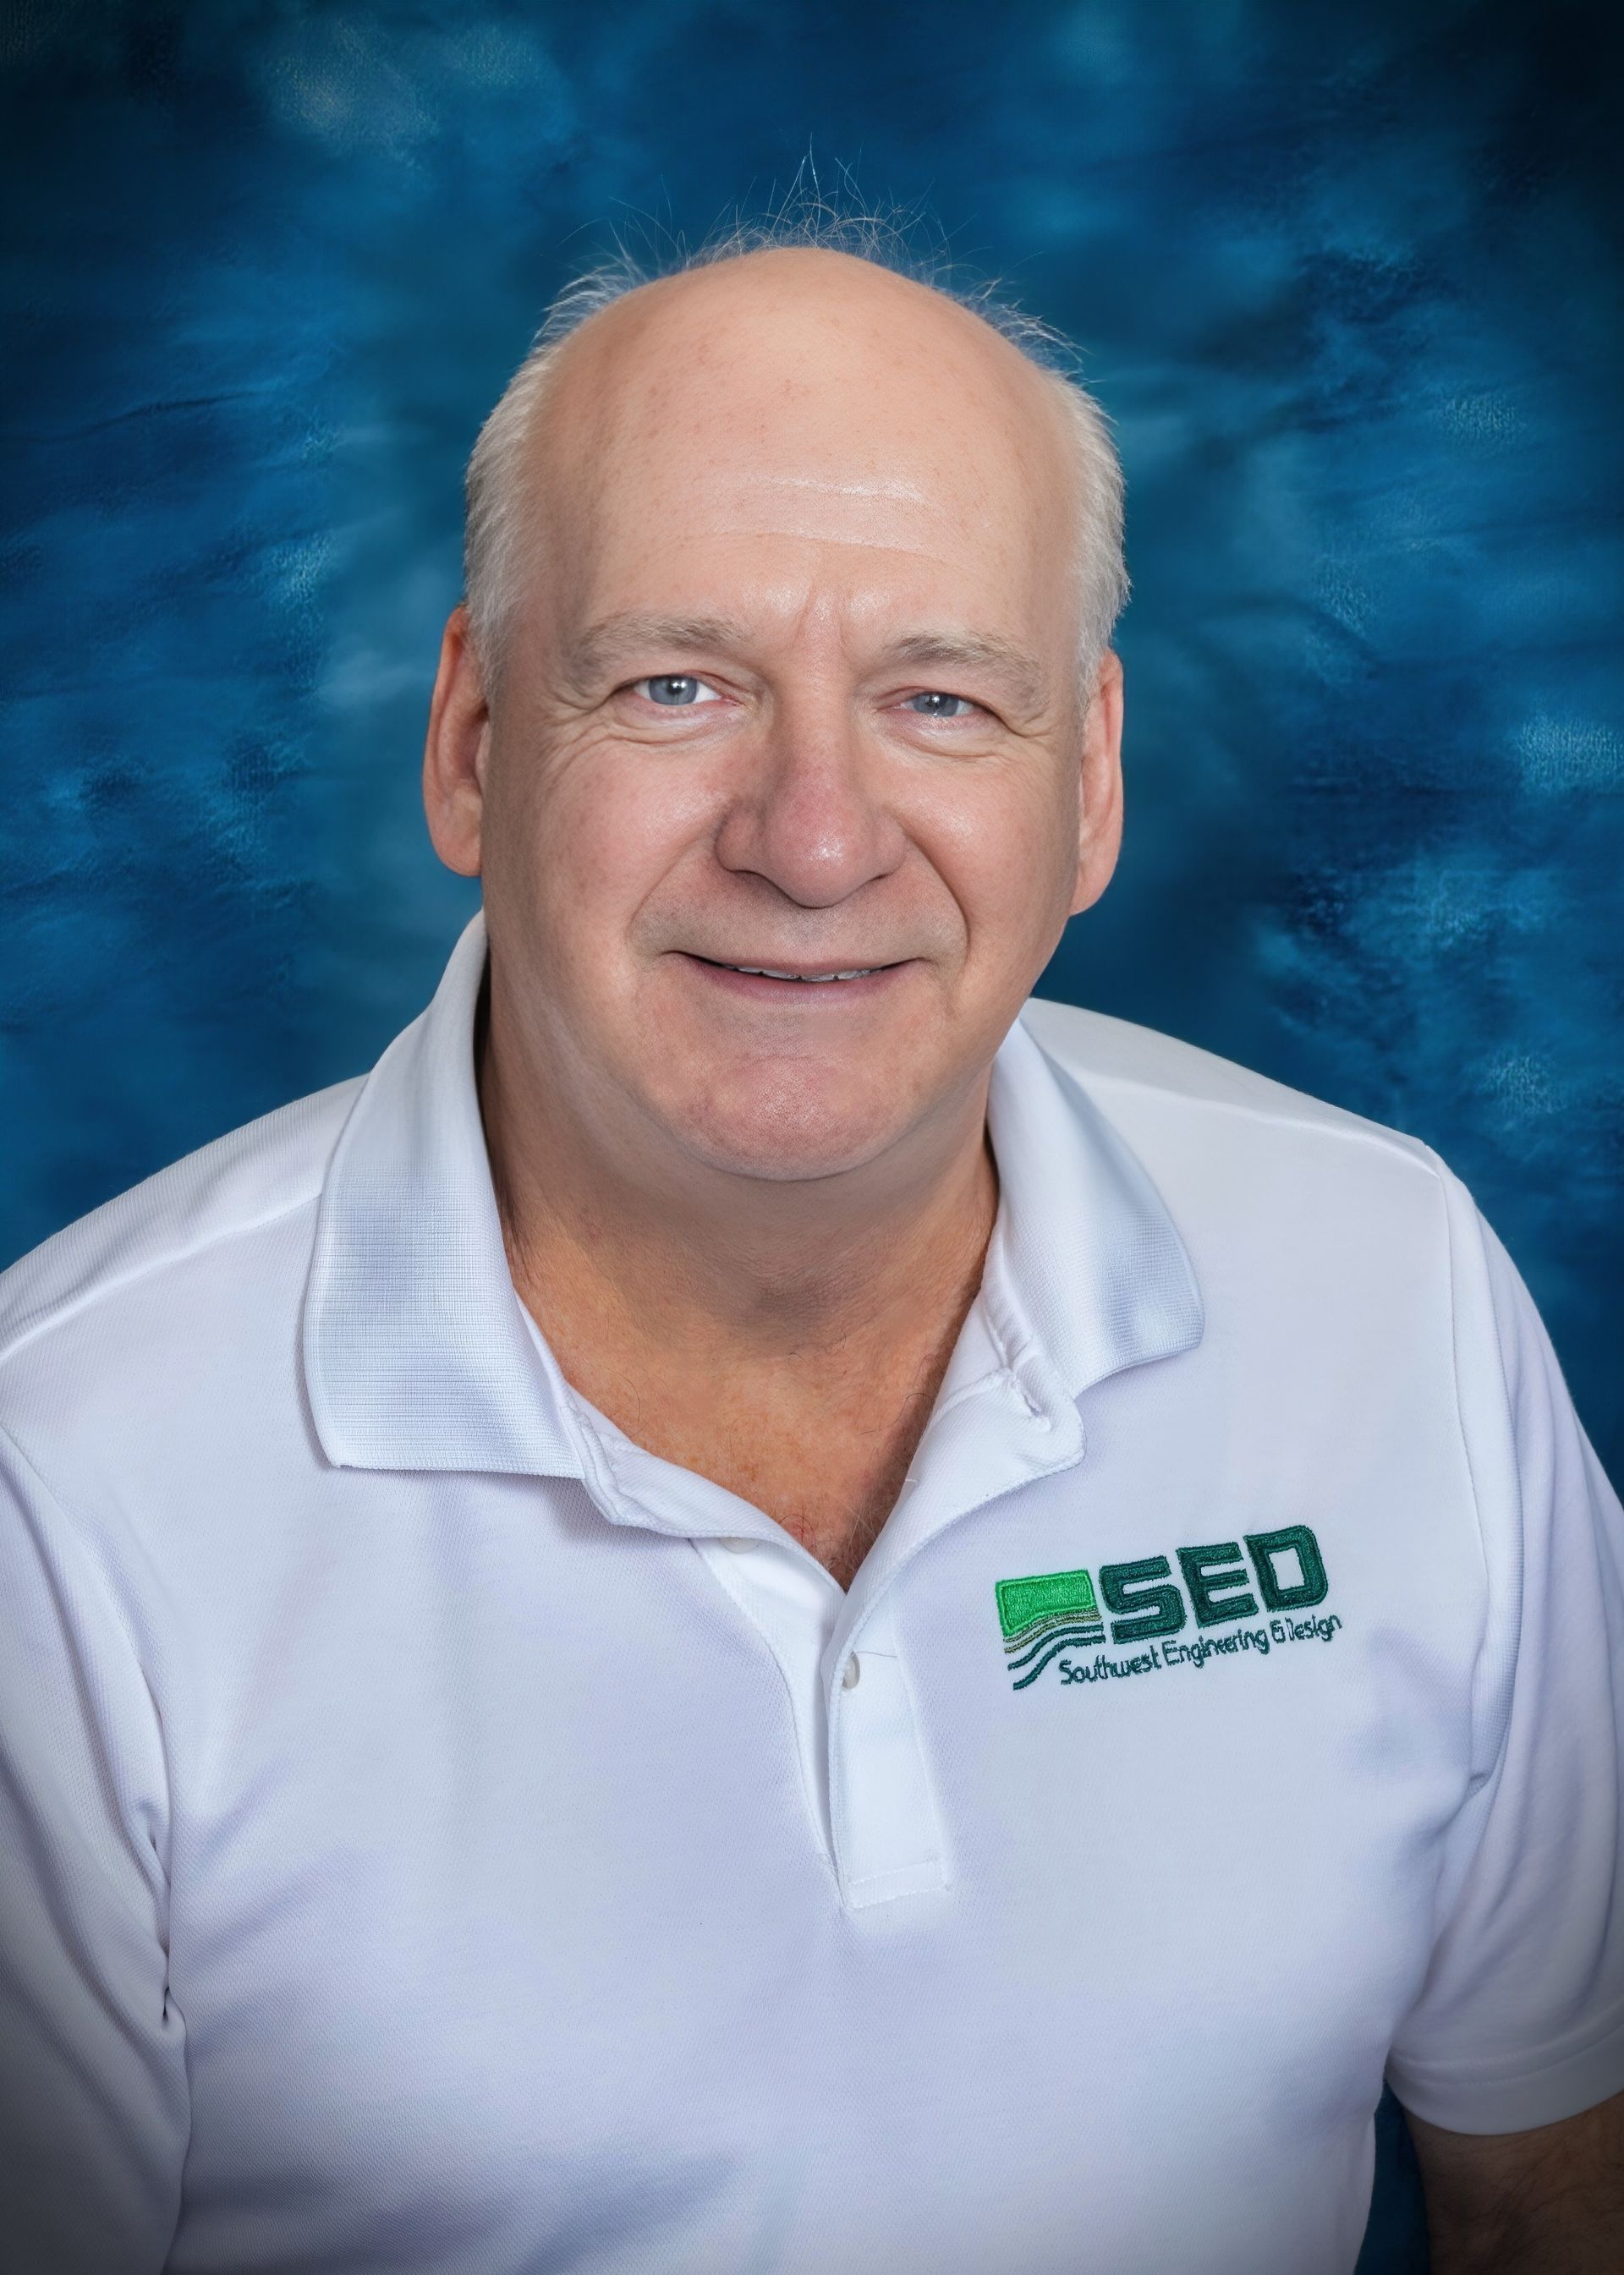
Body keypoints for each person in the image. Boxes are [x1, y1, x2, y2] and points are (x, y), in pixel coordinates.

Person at [2, 217, 1620, 2275]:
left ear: (1091, 782)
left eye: (940, 698)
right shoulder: (61, 1484)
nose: (816, 837)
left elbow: (1558, 2177)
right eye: (677, 685)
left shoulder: (1389, 1290)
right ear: (476, 742)